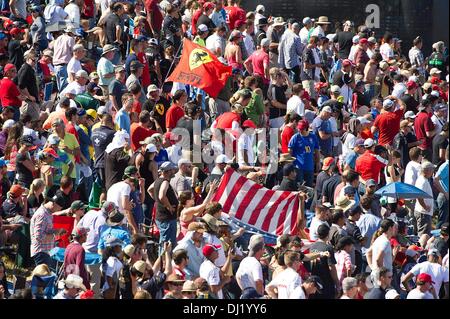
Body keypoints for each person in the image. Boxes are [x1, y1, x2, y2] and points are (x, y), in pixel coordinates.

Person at [148, 162, 179, 252]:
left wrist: (157, 201)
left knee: (166, 241)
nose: (173, 172)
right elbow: (162, 195)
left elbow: (150, 189)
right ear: (168, 171)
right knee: (166, 243)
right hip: (167, 217)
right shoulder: (165, 182)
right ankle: (163, 263)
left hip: (163, 216)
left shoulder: (158, 180)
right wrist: (169, 206)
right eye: (172, 170)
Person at [30, 195, 67, 267]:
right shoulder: (42, 215)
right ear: (54, 204)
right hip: (41, 252)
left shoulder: (48, 213)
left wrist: (57, 231)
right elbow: (39, 236)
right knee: (43, 276)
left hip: (46, 251)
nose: (58, 211)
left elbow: (46, 230)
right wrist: (55, 235)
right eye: (58, 209)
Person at [307, 224, 339, 299]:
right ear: (328, 234)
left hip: (314, 282)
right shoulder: (328, 248)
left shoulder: (312, 246)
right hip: (326, 283)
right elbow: (332, 268)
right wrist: (337, 284)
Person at [289, 120, 320, 187]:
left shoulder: (313, 137)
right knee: (299, 187)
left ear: (306, 128)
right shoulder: (295, 137)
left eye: (301, 129)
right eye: (299, 129)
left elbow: (317, 150)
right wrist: (290, 164)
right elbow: (290, 151)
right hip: (298, 168)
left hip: (310, 167)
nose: (299, 131)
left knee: (309, 188)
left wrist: (318, 162)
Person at [63, 225, 90, 290]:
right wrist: (85, 286)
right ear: (82, 236)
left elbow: (65, 265)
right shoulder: (80, 249)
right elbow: (79, 268)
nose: (87, 236)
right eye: (86, 234)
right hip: (77, 284)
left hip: (69, 281)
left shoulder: (68, 246)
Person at [414, 161, 435, 237]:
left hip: (424, 212)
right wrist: (425, 207)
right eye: (432, 170)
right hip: (423, 213)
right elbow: (419, 196)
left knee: (425, 234)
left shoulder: (423, 179)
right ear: (426, 170)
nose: (433, 172)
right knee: (423, 236)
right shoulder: (422, 181)